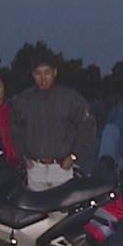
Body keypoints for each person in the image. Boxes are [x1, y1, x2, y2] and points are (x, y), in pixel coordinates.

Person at [11, 54, 96, 191]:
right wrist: (23, 156)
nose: (43, 78)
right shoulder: (23, 100)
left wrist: (74, 155)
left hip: (62, 169)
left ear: (55, 72)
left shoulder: (69, 98)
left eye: (47, 73)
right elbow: (15, 129)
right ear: (33, 74)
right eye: (38, 73)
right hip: (35, 170)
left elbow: (88, 126)